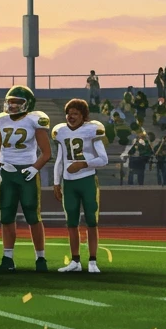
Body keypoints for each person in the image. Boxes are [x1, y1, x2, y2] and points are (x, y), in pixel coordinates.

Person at [0, 86, 51, 272]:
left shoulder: (34, 120)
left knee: (33, 215)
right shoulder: (2, 120)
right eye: (11, 102)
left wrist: (34, 168)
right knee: (6, 215)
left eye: (17, 102)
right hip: (7, 172)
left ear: (27, 104)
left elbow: (46, 153)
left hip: (27, 172)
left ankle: (41, 259)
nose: (13, 105)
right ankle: (8, 260)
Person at [53, 99, 107, 272]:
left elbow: (103, 159)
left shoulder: (92, 130)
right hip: (68, 183)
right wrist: (56, 182)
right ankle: (75, 261)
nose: (71, 116)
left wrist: (83, 164)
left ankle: (92, 261)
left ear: (83, 116)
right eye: (69, 113)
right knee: (71, 222)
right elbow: (60, 159)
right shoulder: (61, 131)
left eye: (75, 113)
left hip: (87, 180)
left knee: (91, 221)